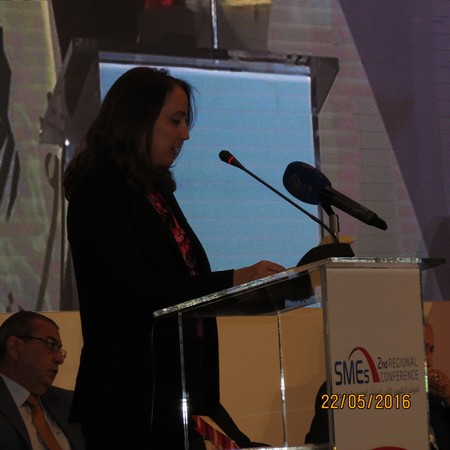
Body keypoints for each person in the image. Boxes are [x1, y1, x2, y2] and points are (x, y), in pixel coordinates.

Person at [63, 66, 284, 449]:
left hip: (177, 397)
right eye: (176, 120)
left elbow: (184, 281)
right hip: (129, 403)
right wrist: (234, 279)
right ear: (138, 118)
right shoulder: (98, 190)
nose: (185, 134)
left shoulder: (154, 191)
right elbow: (137, 292)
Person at [305, 322, 450, 450]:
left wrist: (448, 397)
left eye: (431, 350)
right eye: (422, 348)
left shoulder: (432, 394)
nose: (430, 361)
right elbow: (320, 444)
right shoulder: (341, 390)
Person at [0, 310, 85, 450]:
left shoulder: (69, 402)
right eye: (50, 344)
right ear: (15, 348)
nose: (60, 359)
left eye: (59, 350)